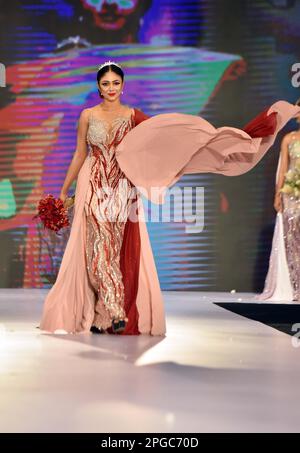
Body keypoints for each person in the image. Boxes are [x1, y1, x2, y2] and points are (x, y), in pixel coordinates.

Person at [39, 60, 300, 336]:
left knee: (110, 250)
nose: (111, 88)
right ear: (98, 87)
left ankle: (107, 314)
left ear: (123, 86)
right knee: (95, 249)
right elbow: (80, 153)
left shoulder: (132, 115)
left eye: (116, 83)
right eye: (106, 84)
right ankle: (112, 311)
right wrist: (63, 189)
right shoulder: (87, 116)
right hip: (91, 185)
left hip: (121, 187)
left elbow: (162, 138)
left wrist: (203, 140)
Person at [256, 98, 300, 302]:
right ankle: (293, 285)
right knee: (290, 239)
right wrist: (278, 194)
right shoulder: (289, 139)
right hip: (290, 193)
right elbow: (283, 168)